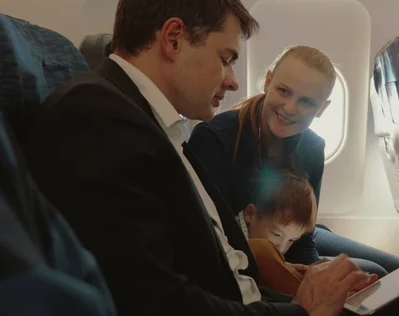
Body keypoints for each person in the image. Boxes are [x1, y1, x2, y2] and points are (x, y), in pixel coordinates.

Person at [19, 0, 375, 315]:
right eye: (226, 59)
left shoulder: (156, 127)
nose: (233, 82)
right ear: (173, 39)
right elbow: (154, 302)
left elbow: (223, 267)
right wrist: (303, 311)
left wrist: (305, 288)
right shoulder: (97, 120)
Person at [188, 45, 399, 277]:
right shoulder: (215, 139)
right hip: (247, 250)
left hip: (291, 238)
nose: (290, 108)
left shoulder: (313, 148)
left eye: (307, 102)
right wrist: (293, 277)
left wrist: (313, 271)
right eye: (283, 91)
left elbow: (303, 237)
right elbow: (216, 242)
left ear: (322, 108)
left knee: (397, 272)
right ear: (268, 82)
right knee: (373, 274)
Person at [236, 168, 379, 297]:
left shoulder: (263, 230)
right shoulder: (233, 238)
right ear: (250, 214)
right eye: (276, 235)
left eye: (292, 241)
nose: (281, 248)